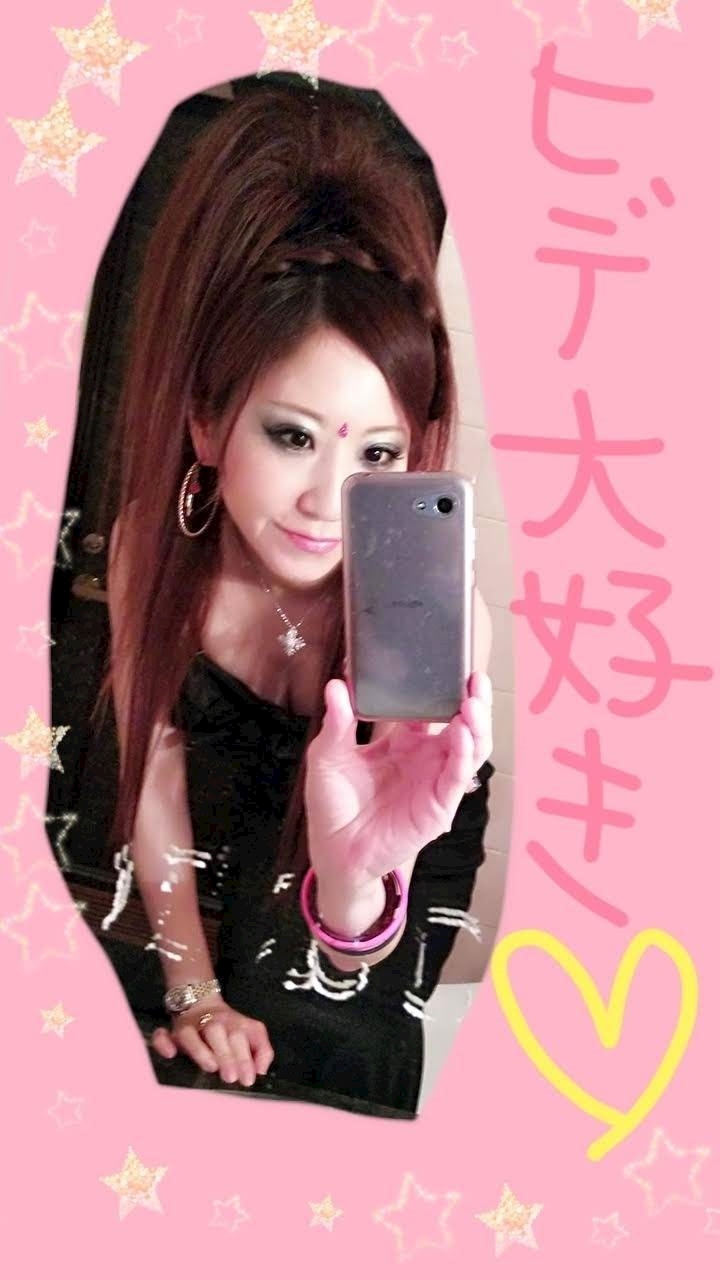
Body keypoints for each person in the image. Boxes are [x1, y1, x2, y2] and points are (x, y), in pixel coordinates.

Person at [104, 75, 494, 1119]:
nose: (330, 501)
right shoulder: (153, 550)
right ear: (207, 423)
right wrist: (194, 991)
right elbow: (155, 773)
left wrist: (354, 882)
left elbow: (370, 915)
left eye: (377, 453)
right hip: (226, 848)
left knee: (337, 1057)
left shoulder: (432, 607)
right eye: (291, 436)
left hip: (389, 856)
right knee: (195, 1044)